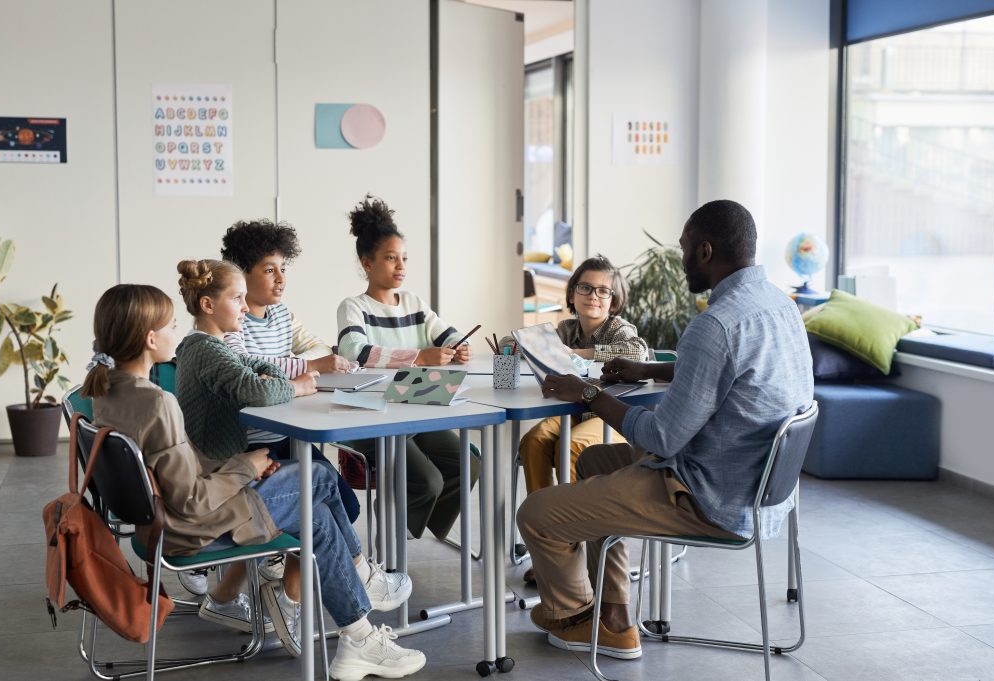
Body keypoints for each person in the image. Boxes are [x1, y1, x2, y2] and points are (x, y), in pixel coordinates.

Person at [515, 199, 813, 660]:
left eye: (685, 247)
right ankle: (614, 614)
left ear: (706, 251)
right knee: (593, 461)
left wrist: (589, 394)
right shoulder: (779, 306)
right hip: (763, 489)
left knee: (536, 512)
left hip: (707, 496)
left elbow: (659, 438)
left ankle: (574, 615)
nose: (681, 257)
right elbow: (730, 373)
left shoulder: (716, 324)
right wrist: (645, 369)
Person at [84, 283, 426, 680]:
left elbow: (176, 467)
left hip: (155, 527)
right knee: (318, 476)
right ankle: (362, 581)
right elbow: (192, 500)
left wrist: (240, 460)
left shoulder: (106, 392)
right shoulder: (159, 403)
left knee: (315, 515)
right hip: (191, 527)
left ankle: (359, 636)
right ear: (149, 338)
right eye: (171, 325)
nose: (176, 333)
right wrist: (244, 468)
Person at [336, 195, 479, 541]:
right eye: (390, 258)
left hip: (415, 406)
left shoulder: (414, 303)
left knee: (470, 464)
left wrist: (459, 346)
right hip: (372, 415)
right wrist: (418, 358)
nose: (400, 266)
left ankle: (407, 526)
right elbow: (354, 351)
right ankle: (390, 530)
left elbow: (449, 333)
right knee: (427, 481)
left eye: (403, 258)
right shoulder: (352, 307)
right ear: (366, 263)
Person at [515, 255, 648, 585]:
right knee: (533, 442)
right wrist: (520, 346)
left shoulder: (619, 329)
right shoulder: (566, 329)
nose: (594, 296)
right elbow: (531, 347)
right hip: (572, 413)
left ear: (614, 300)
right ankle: (550, 549)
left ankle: (575, 550)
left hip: (610, 419)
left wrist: (579, 355)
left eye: (604, 291)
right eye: (586, 288)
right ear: (572, 294)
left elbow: (637, 354)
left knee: (573, 447)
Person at [219, 218, 360, 526]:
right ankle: (285, 557)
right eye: (270, 270)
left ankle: (304, 566)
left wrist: (297, 366)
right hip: (250, 443)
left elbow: (321, 348)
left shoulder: (281, 314)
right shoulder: (230, 320)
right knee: (318, 506)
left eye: (283, 268)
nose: (281, 279)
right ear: (241, 275)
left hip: (288, 433)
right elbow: (244, 364)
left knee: (347, 507)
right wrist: (305, 367)